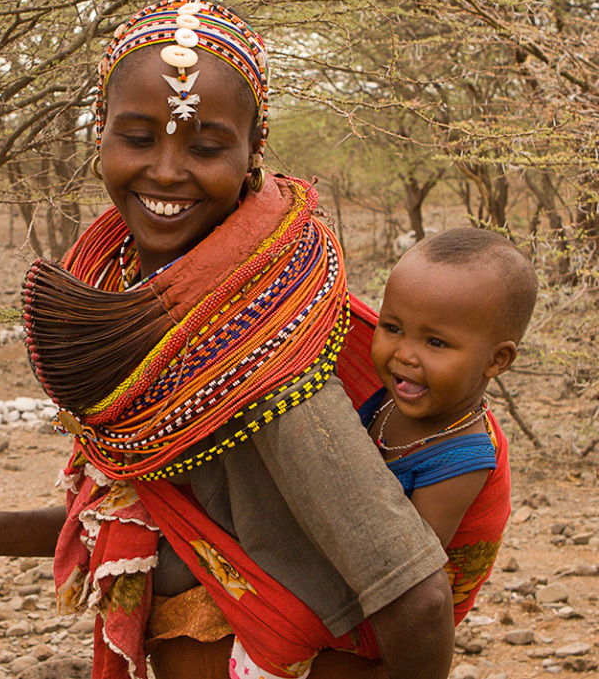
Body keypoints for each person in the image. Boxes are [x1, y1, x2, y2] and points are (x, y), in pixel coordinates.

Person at [0, 0, 454, 679]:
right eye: (137, 138)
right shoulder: (140, 308)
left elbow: (417, 600)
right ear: (99, 134)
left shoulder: (258, 354)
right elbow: (162, 518)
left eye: (206, 147)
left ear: (254, 153)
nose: (165, 170)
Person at [229, 227, 537, 678]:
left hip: (389, 612)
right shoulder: (392, 398)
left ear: (497, 361)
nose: (403, 355)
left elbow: (406, 573)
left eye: (436, 343)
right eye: (392, 328)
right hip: (356, 564)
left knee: (280, 624)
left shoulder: (461, 460)